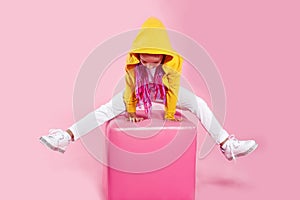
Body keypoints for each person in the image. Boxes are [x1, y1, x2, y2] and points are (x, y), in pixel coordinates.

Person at [40, 17, 257, 161]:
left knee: (199, 103)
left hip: (165, 93)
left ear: (164, 56)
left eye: (155, 61)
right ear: (139, 55)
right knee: (106, 109)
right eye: (145, 61)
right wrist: (132, 112)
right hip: (138, 94)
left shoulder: (171, 66)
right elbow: (129, 89)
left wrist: (170, 113)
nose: (150, 65)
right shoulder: (134, 68)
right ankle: (66, 136)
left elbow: (173, 90)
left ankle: (227, 144)